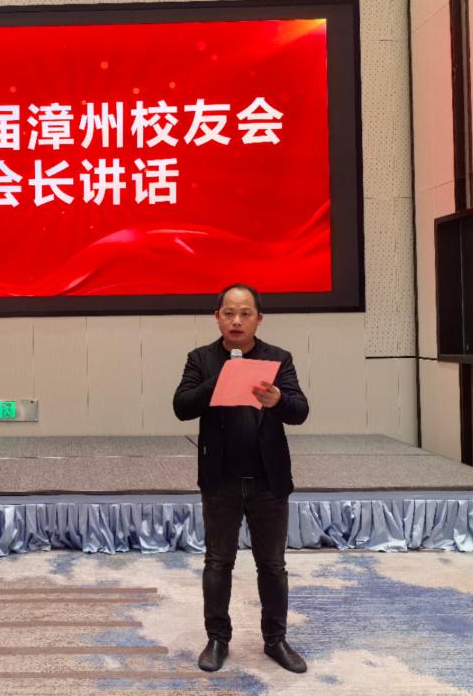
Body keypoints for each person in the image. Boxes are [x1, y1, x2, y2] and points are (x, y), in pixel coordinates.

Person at [173, 283, 309, 674]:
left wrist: (278, 400)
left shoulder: (278, 358)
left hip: (268, 480)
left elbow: (300, 411)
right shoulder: (201, 359)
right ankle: (217, 639)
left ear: (258, 319)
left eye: (245, 313)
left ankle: (276, 640)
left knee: (273, 565)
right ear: (216, 317)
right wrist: (219, 380)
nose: (237, 320)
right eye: (229, 313)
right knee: (218, 563)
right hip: (221, 480)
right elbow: (181, 406)